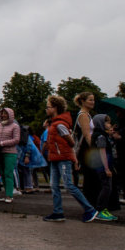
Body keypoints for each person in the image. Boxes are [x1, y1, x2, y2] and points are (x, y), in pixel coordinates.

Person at [43, 95, 97, 223]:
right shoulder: (55, 124)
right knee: (54, 185)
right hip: (56, 157)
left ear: (55, 108)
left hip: (62, 158)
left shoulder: (60, 124)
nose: (46, 109)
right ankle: (58, 212)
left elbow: (71, 142)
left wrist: (72, 157)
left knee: (68, 185)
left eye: (48, 107)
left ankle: (90, 209)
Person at [89, 114, 118, 221]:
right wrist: (106, 168)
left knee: (106, 187)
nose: (109, 124)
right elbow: (102, 152)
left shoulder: (99, 135)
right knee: (106, 187)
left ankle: (103, 209)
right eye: (107, 122)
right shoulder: (101, 136)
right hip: (103, 166)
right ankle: (101, 210)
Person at [72, 92, 99, 203]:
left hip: (88, 148)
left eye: (93, 100)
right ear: (83, 101)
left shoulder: (87, 114)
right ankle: (91, 201)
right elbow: (87, 135)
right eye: (90, 100)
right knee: (91, 176)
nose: (93, 102)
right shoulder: (83, 115)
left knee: (91, 176)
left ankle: (91, 201)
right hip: (87, 148)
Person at [0, 108, 20, 203]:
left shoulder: (15, 126)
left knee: (8, 173)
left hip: (10, 153)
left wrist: (2, 143)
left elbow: (16, 140)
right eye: (2, 113)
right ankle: (6, 194)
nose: (3, 115)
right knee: (2, 174)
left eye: (5, 113)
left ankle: (10, 195)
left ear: (10, 115)